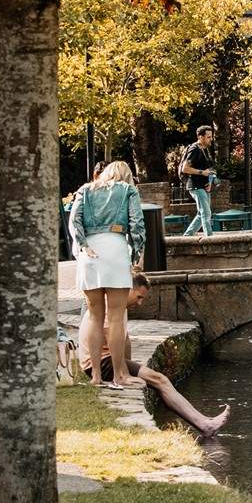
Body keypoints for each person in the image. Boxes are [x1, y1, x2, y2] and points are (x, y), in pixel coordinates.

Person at [78, 273, 230, 437]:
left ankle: (203, 421)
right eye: (138, 297)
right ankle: (205, 425)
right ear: (128, 289)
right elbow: (111, 342)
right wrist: (123, 373)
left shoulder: (118, 306)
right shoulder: (112, 308)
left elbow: (124, 342)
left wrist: (129, 369)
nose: (140, 302)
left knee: (159, 380)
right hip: (102, 363)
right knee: (160, 380)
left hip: (106, 360)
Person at [69, 160, 147, 390]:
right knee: (115, 318)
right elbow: (137, 224)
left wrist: (83, 245)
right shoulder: (128, 190)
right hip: (115, 248)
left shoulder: (85, 189)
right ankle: (118, 375)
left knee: (94, 316)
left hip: (89, 254)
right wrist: (136, 253)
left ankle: (95, 375)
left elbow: (74, 221)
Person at [178, 126, 217, 236]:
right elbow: (185, 168)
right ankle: (210, 240)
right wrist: (202, 173)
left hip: (204, 186)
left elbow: (208, 169)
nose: (211, 139)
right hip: (195, 186)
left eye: (211, 136)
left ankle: (186, 237)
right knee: (206, 212)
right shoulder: (194, 149)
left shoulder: (204, 150)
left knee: (202, 214)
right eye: (208, 137)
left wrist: (209, 181)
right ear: (201, 137)